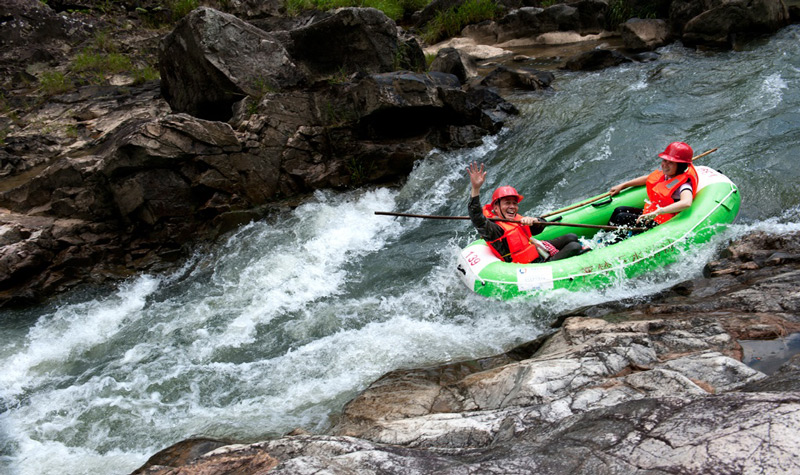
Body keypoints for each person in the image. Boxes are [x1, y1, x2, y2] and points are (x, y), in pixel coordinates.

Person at [467, 161, 583, 263]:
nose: (512, 206)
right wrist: (475, 189)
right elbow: (477, 217)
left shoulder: (516, 219)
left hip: (535, 250)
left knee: (571, 237)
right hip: (531, 266)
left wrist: (535, 221)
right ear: (496, 208)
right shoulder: (494, 229)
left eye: (514, 203)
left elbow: (540, 227)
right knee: (574, 246)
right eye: (507, 203)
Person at [607, 141, 698, 230]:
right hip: (653, 213)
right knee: (619, 210)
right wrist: (623, 185)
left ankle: (611, 243)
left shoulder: (684, 185)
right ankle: (602, 238)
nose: (665, 165)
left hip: (663, 220)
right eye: (664, 160)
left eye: (671, 163)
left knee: (622, 217)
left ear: (681, 166)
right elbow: (647, 178)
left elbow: (686, 202)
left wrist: (658, 212)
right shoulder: (667, 175)